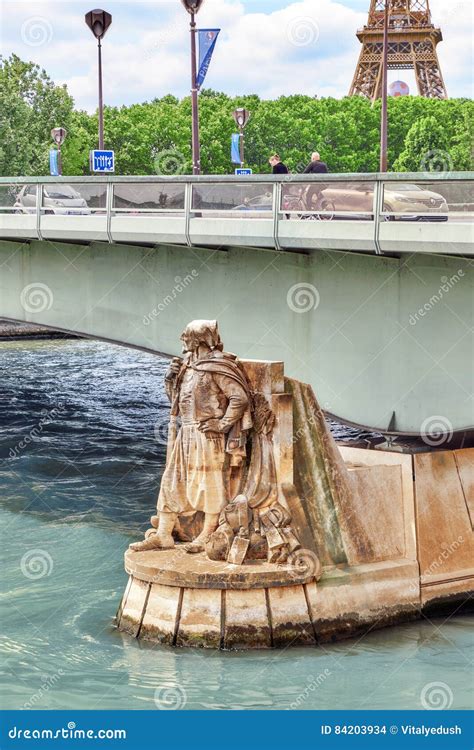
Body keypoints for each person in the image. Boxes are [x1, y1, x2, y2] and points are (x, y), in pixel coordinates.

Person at [129, 320, 252, 554]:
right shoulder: (187, 367)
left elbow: (239, 398)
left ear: (197, 339)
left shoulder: (218, 366)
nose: (183, 341)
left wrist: (222, 424)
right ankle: (163, 534)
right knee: (171, 481)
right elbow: (176, 401)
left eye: (186, 336)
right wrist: (170, 379)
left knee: (210, 484)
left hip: (207, 435)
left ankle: (208, 533)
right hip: (185, 432)